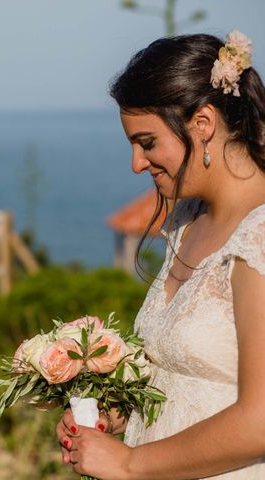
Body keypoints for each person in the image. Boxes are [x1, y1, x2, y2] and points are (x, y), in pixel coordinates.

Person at [56, 31, 265, 479]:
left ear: (203, 123)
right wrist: (120, 417)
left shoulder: (260, 236)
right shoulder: (185, 220)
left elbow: (260, 421)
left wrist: (130, 463)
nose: (136, 163)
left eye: (147, 142)